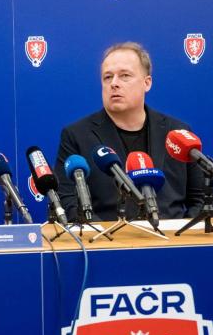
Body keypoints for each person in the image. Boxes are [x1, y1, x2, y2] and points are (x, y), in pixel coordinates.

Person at [54, 42, 204, 222]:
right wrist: (106, 235)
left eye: (124, 76)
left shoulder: (178, 133)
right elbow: (68, 201)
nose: (114, 84)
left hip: (171, 236)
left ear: (147, 83)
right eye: (108, 77)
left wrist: (181, 233)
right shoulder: (76, 135)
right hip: (108, 236)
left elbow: (200, 200)